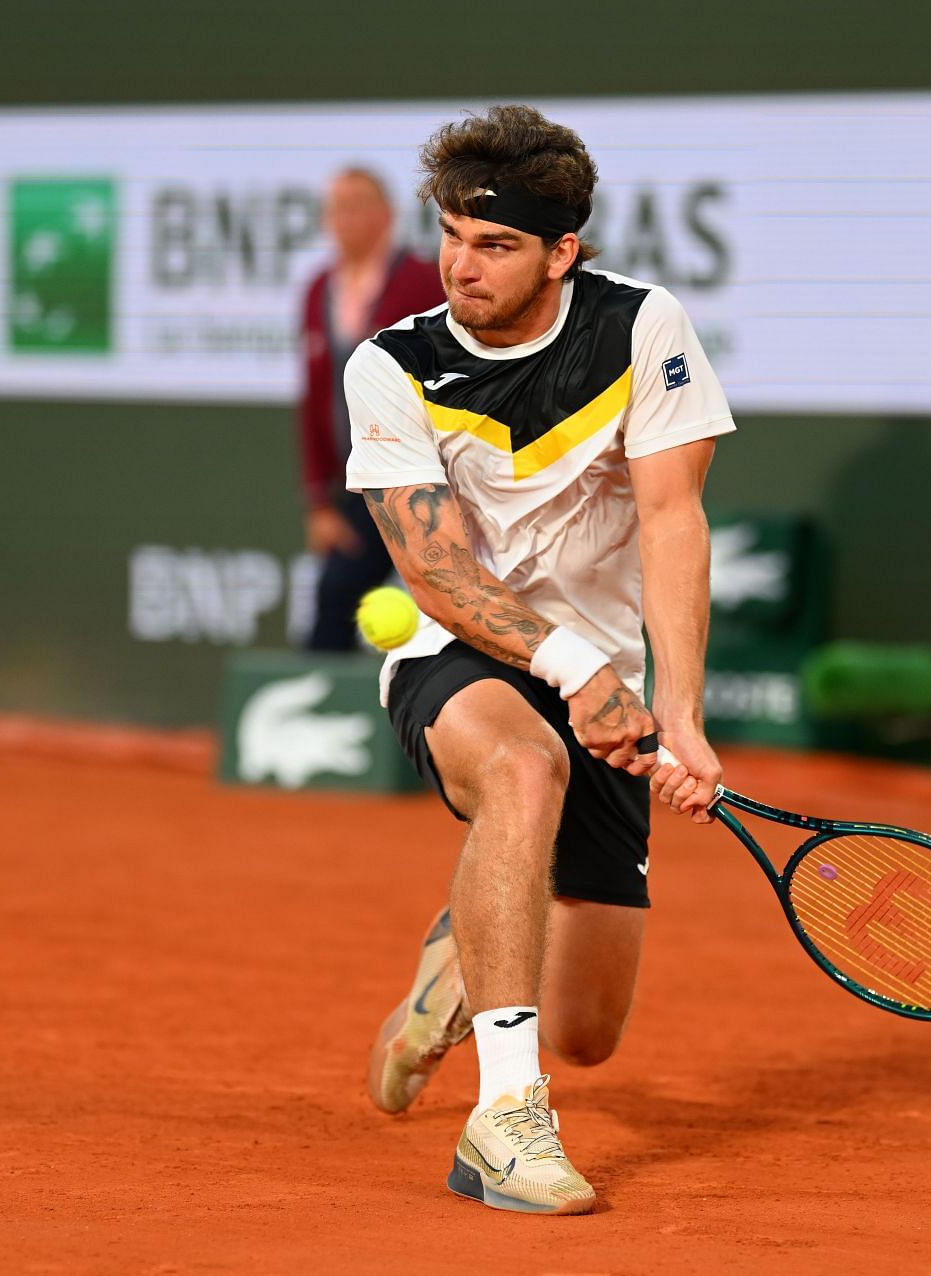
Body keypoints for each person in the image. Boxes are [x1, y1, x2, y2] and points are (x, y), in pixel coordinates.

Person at [344, 106, 733, 1214]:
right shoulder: (393, 365)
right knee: (525, 770)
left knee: (591, 1028)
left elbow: (672, 522)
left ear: (564, 251)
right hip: (458, 649)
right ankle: (504, 1120)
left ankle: (465, 949)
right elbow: (437, 573)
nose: (463, 264)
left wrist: (684, 712)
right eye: (452, 235)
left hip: (606, 665)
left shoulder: (641, 329)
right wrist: (574, 668)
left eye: (497, 243)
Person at [297, 168, 445, 650]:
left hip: (430, 478)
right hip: (361, 488)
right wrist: (320, 501)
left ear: (388, 214)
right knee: (334, 593)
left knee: (451, 605)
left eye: (358, 204)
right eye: (336, 206)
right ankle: (320, 711)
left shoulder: (425, 282)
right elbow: (314, 398)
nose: (345, 217)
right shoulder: (318, 289)